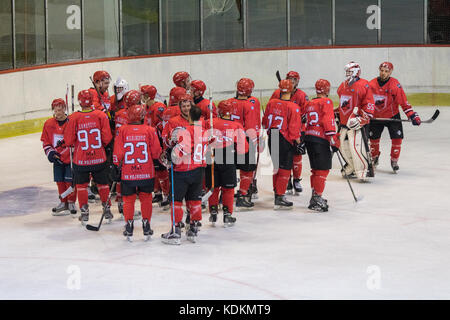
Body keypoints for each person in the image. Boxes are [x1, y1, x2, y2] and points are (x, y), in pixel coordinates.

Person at [113, 104, 162, 242]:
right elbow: (156, 152)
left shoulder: (122, 130)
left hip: (128, 173)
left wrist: (116, 166)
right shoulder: (150, 130)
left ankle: (129, 226)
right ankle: (146, 225)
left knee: (128, 199)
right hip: (146, 172)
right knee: (146, 197)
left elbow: (118, 153)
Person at [64, 90, 113, 224]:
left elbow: (68, 141)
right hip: (99, 157)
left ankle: (84, 213)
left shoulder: (74, 117)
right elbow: (107, 137)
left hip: (81, 159)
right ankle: (107, 209)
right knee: (103, 184)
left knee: (81, 185)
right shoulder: (100, 115)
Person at [161, 106, 208, 245]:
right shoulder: (206, 132)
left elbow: (179, 153)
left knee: (176, 201)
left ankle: (175, 232)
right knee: (194, 200)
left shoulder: (185, 131)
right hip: (199, 171)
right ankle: (193, 229)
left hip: (182, 171)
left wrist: (171, 154)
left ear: (188, 117)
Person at [368, 61, 421, 172]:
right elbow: (366, 101)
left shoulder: (395, 85)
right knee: (373, 139)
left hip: (392, 116)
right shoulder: (371, 84)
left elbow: (403, 102)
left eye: (386, 71)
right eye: (382, 71)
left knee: (397, 138)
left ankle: (394, 160)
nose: (383, 73)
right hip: (376, 117)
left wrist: (412, 115)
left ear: (390, 72)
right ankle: (374, 158)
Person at [205, 99, 248, 226]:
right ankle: (227, 214)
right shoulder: (236, 125)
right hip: (228, 157)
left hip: (211, 157)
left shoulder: (209, 123)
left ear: (218, 111)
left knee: (213, 186)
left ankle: (213, 212)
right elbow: (243, 148)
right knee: (228, 188)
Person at [262, 80, 302, 209]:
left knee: (276, 166)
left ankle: (276, 191)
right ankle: (279, 196)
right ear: (291, 91)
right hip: (284, 139)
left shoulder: (271, 103)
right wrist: (298, 142)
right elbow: (294, 129)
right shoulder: (293, 107)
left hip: (272, 136)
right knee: (285, 168)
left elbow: (264, 122)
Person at [303, 79, 339, 212]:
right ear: (328, 90)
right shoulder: (327, 101)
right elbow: (327, 121)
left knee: (315, 169)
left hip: (309, 137)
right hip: (320, 138)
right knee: (322, 170)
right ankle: (317, 198)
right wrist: (333, 140)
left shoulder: (310, 103)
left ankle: (315, 196)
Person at [271, 71, 309, 195]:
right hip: (282, 132)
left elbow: (306, 112)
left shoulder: (302, 95)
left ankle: (296, 180)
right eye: (289, 78)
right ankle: (285, 181)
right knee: (282, 160)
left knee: (296, 156)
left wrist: (302, 118)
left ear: (298, 81)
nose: (292, 81)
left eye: (294, 79)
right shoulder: (277, 93)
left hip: (297, 130)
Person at [336, 61, 375, 181]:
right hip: (343, 123)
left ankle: (364, 170)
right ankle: (352, 166)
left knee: (357, 148)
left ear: (356, 72)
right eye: (346, 71)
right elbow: (343, 104)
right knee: (343, 146)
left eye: (350, 71)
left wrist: (363, 118)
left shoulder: (364, 85)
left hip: (356, 124)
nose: (347, 73)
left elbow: (369, 104)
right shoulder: (343, 85)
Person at [41, 98, 77, 216]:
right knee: (60, 181)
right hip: (57, 158)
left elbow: (76, 139)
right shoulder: (48, 124)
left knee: (69, 181)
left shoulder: (71, 122)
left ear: (64, 108)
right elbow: (45, 142)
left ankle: (71, 202)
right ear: (53, 109)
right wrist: (50, 153)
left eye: (61, 107)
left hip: (70, 158)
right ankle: (63, 202)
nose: (58, 110)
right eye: (56, 107)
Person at [228, 78, 259, 210]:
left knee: (228, 167)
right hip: (244, 140)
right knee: (247, 169)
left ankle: (225, 195)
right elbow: (251, 128)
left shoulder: (228, 102)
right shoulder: (249, 105)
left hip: (228, 140)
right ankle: (243, 195)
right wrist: (255, 141)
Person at [113, 89, 143, 216]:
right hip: (135, 148)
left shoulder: (119, 113)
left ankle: (121, 203)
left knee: (121, 178)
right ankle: (130, 206)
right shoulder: (138, 113)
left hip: (120, 147)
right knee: (135, 177)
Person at [141, 85, 168, 205]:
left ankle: (166, 194)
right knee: (154, 170)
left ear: (147, 95)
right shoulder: (144, 108)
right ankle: (157, 193)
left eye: (142, 94)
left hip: (158, 143)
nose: (141, 96)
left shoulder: (160, 108)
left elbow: (164, 126)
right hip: (148, 144)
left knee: (162, 170)